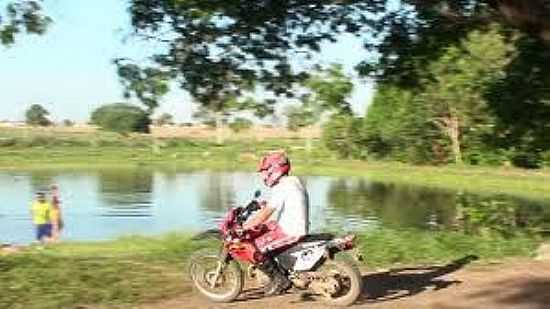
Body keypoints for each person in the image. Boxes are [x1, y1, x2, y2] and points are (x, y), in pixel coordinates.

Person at [243, 151, 310, 295]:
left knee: (256, 250)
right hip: (291, 225)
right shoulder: (293, 181)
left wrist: (245, 226)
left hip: (290, 230)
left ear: (275, 169)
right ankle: (281, 272)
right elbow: (282, 203)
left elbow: (265, 215)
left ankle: (280, 280)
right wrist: (264, 205)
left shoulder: (282, 187)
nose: (263, 175)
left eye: (265, 170)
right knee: (265, 230)